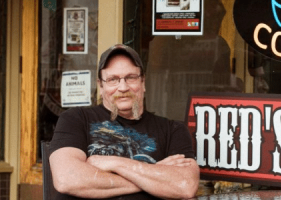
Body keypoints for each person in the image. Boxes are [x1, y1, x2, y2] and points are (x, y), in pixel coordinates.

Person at [48, 44, 199, 199]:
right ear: (101, 85)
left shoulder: (173, 130)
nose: (123, 87)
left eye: (131, 77)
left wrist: (113, 163)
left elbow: (185, 186)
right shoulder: (76, 119)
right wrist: (153, 176)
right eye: (113, 79)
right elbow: (66, 179)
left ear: (143, 82)